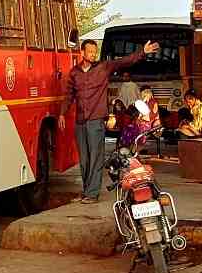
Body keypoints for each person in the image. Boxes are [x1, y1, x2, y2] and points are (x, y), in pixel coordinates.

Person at [59, 37, 159, 203]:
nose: (93, 54)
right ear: (82, 52)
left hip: (96, 120)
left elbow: (124, 61)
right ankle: (86, 191)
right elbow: (69, 95)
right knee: (84, 159)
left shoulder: (103, 67)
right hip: (80, 121)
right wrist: (62, 113)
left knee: (96, 158)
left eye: (94, 52)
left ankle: (92, 194)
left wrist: (142, 52)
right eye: (89, 51)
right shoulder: (74, 72)